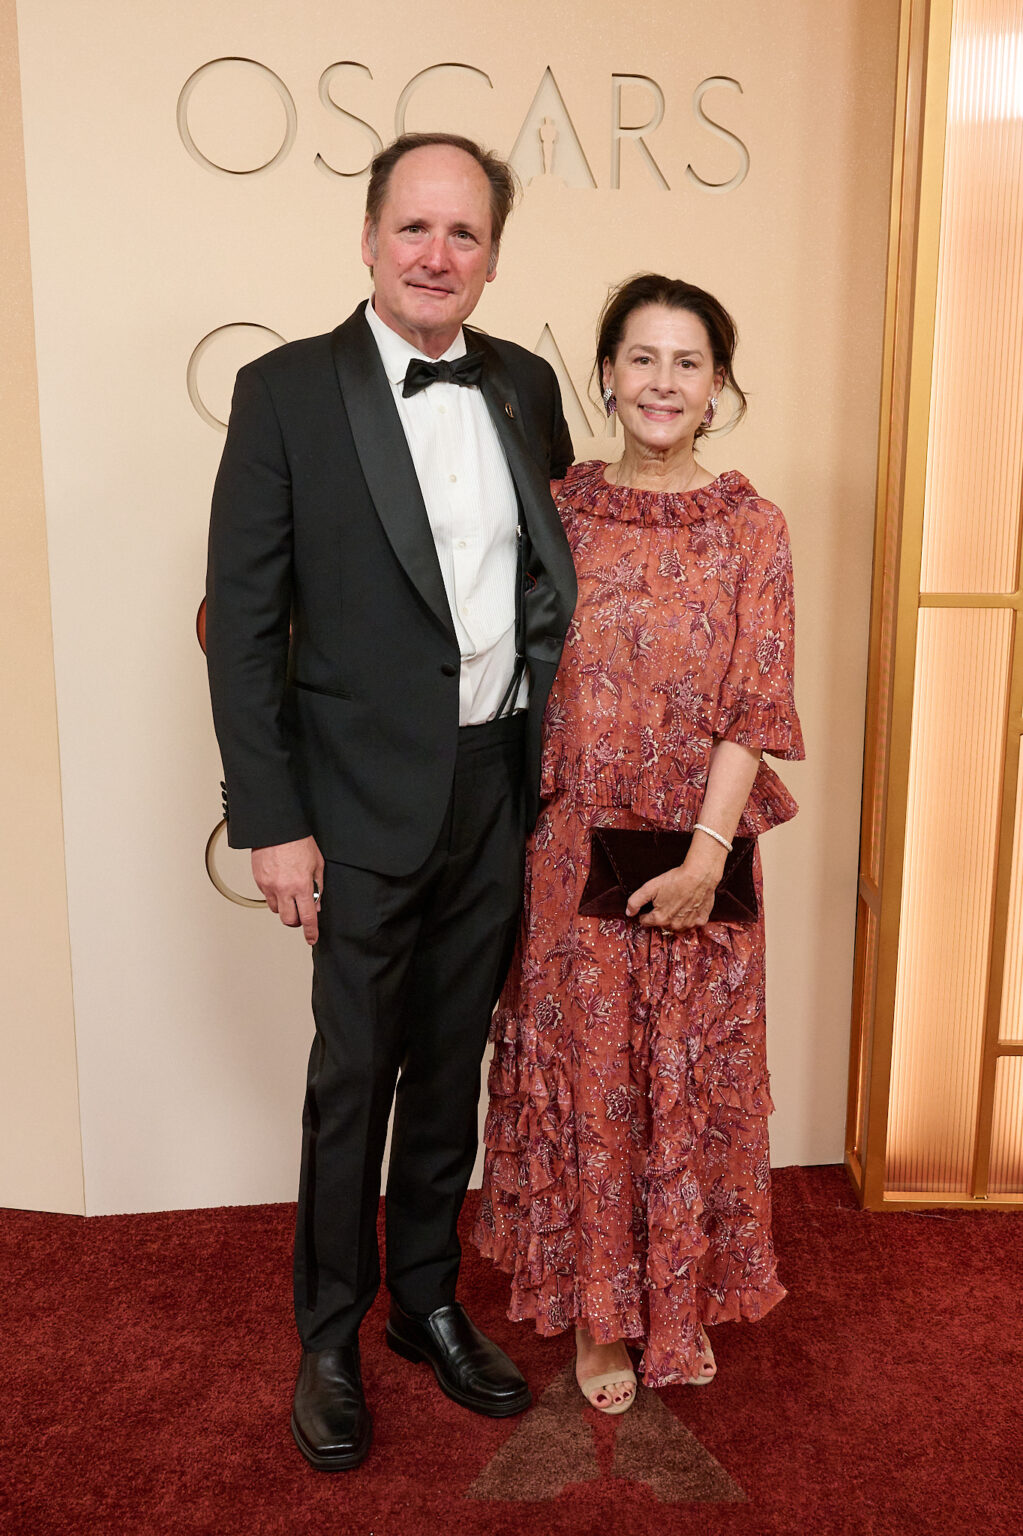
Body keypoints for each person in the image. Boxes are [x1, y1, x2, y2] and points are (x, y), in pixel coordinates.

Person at [205, 132, 577, 1470]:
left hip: (494, 788)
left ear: (489, 256)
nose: (436, 256)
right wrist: (271, 820)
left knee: (448, 1071)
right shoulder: (284, 393)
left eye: (463, 235)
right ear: (367, 239)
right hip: (352, 804)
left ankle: (426, 1298)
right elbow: (245, 627)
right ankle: (329, 1331)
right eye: (414, 229)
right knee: (350, 1075)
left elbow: (553, 599)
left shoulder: (527, 387)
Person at [473, 273, 804, 1413]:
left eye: (689, 363)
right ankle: (603, 1319)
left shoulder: (754, 528)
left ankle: (679, 1298)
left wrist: (710, 854)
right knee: (593, 1075)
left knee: (686, 1077)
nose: (664, 382)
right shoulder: (556, 510)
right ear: (607, 373)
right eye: (643, 358)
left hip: (701, 844)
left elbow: (756, 708)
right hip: (574, 853)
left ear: (718, 388)